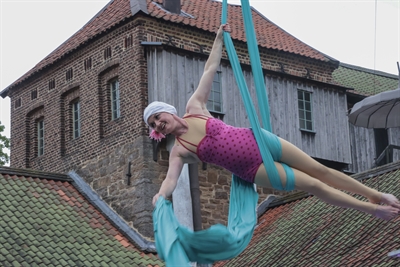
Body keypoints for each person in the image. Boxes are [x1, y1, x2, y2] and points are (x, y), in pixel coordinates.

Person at [144, 24, 400, 220]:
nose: (158, 125)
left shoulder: (194, 108)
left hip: (261, 140)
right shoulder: (180, 150)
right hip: (254, 168)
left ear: (168, 111)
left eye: (158, 118)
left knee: (320, 170)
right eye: (154, 126)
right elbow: (170, 180)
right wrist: (159, 195)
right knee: (313, 184)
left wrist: (219, 40)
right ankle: (372, 209)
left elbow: (209, 70)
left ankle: (376, 195)